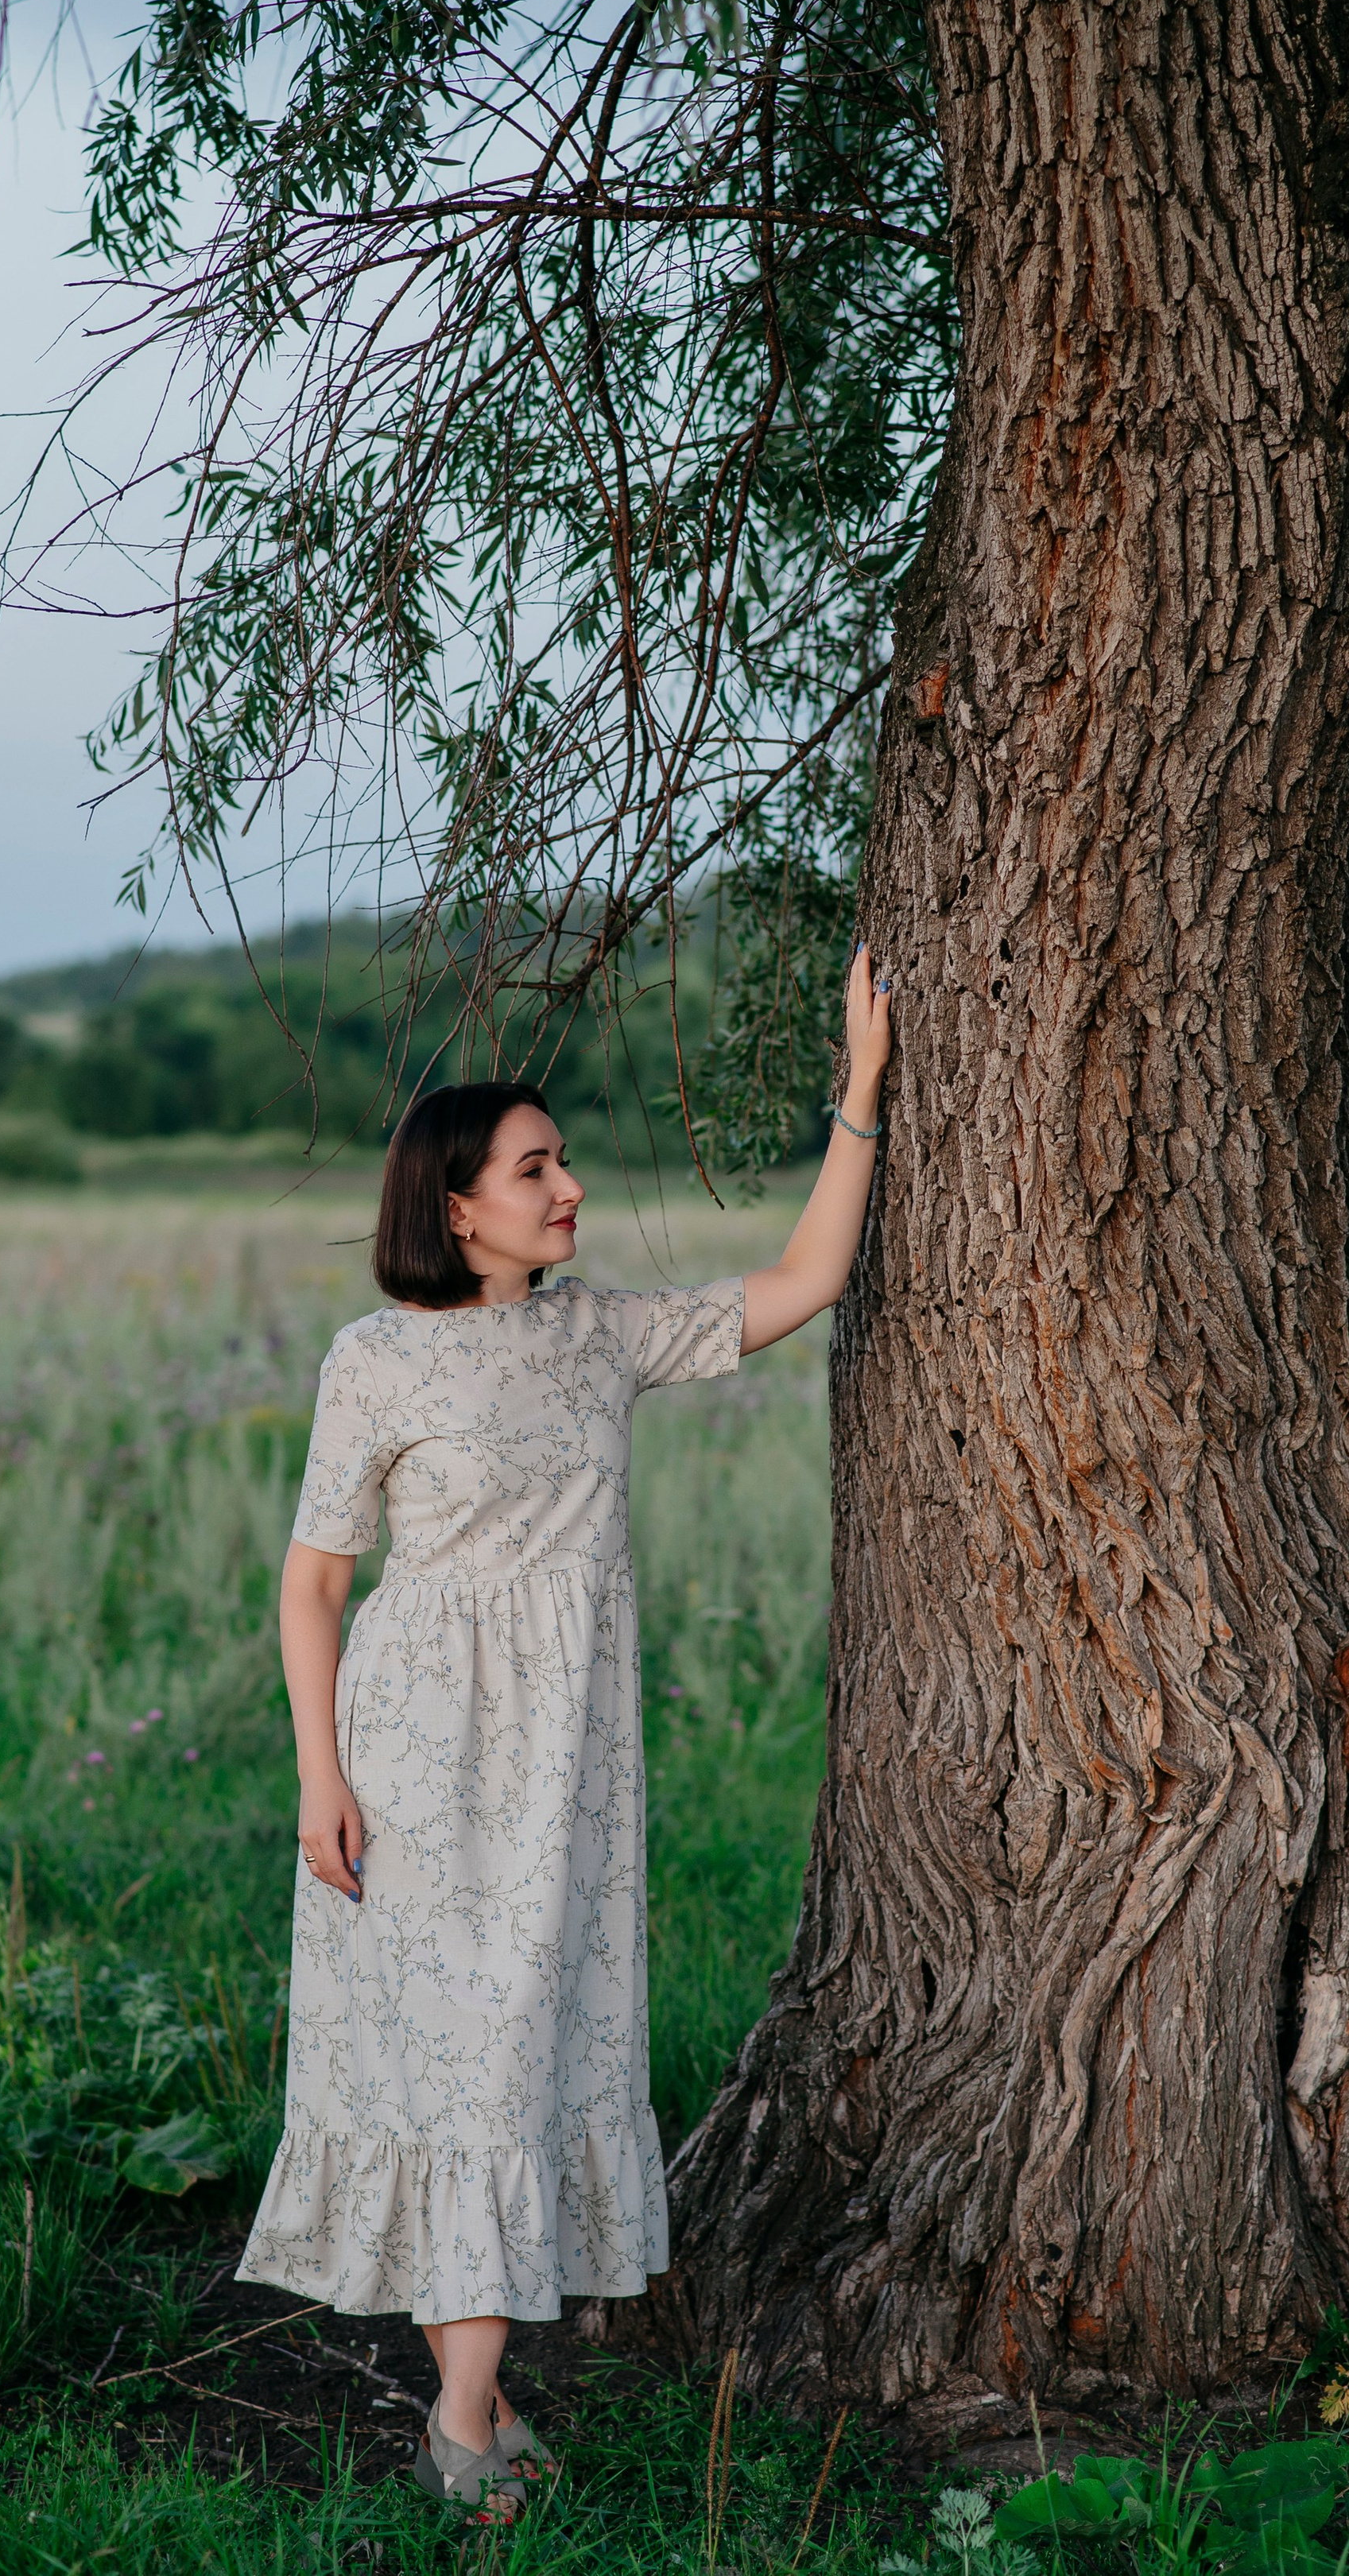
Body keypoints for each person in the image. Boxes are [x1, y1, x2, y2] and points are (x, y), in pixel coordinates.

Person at [236, 946, 894, 2520]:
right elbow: (313, 1580)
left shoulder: (600, 1335)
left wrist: (859, 1094)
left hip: (567, 1760)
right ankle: (462, 2422)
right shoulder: (374, 1358)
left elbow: (800, 1285)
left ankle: (476, 2389)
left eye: (564, 1162)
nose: (571, 1187)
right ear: (455, 1203)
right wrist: (320, 1773)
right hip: (414, 1751)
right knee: (459, 2062)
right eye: (538, 1169)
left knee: (528, 2048)